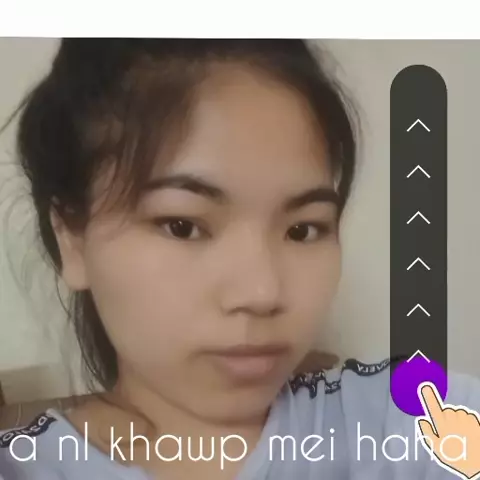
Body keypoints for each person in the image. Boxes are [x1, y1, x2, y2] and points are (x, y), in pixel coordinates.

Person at [0, 38, 478, 480]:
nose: (262, 293)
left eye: (302, 229)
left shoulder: (406, 417)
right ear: (72, 239)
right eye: (182, 225)